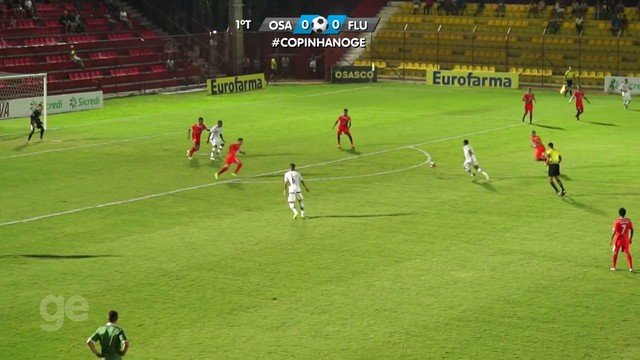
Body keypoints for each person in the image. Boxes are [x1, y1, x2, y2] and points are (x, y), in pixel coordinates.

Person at [610, 207, 634, 272]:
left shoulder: (617, 221)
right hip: (626, 239)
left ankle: (614, 267)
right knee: (627, 252)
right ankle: (631, 268)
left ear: (619, 214)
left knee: (615, 252)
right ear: (625, 213)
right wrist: (630, 238)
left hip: (618, 239)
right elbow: (632, 230)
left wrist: (611, 239)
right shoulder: (628, 221)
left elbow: (614, 231)